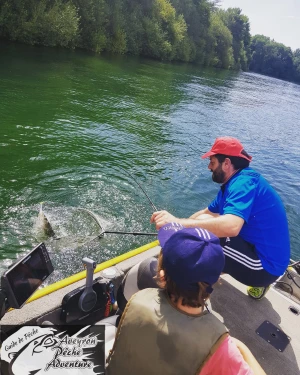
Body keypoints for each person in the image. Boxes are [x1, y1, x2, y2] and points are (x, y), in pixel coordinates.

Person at [106, 223, 266, 375]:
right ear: (215, 281)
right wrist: (242, 347)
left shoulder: (138, 299)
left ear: (162, 276)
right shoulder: (220, 347)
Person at [150, 136, 290, 299]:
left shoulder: (243, 183)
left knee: (204, 243)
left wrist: (177, 223)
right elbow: (206, 213)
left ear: (227, 163)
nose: (209, 166)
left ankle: (185, 294)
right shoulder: (234, 183)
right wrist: (178, 232)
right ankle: (202, 275)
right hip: (257, 250)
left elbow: (231, 227)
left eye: (212, 161)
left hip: (266, 267)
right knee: (199, 228)